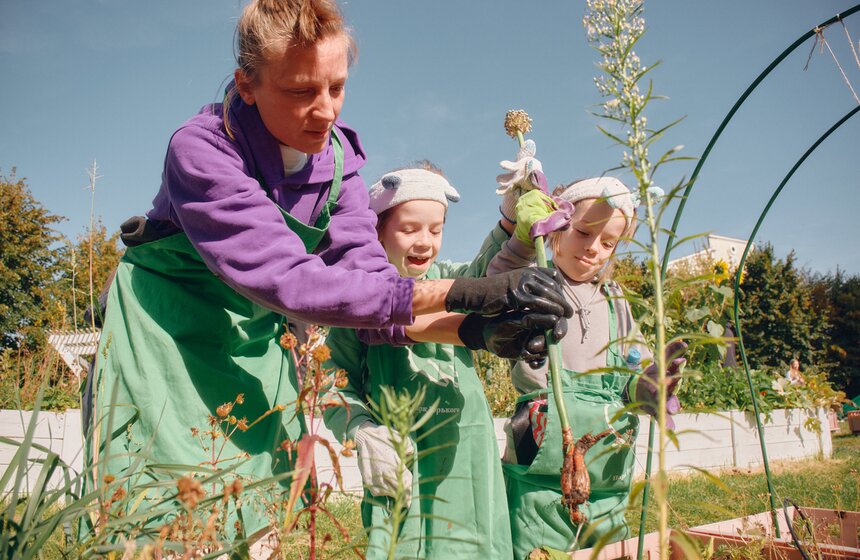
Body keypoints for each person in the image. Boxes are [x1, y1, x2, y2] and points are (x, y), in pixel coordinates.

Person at [82, 0, 571, 542]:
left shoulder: (339, 166)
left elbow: (374, 299)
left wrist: (475, 330)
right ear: (247, 84)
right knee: (163, 510)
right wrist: (467, 292)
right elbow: (293, 281)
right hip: (165, 334)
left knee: (254, 509)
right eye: (300, 91)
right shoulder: (202, 151)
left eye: (336, 88)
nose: (326, 110)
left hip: (251, 338)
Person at [324, 162, 523, 558]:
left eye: (436, 229)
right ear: (377, 230)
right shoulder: (358, 299)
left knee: (473, 542)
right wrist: (362, 430)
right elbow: (332, 381)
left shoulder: (449, 277)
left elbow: (487, 278)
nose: (425, 242)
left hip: (463, 445)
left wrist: (513, 221)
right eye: (409, 229)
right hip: (400, 452)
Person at [487, 177, 687, 557]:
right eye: (582, 232)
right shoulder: (534, 281)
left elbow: (634, 369)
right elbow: (493, 282)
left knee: (610, 546)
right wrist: (524, 234)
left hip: (608, 464)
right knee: (536, 541)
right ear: (558, 226)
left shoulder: (615, 300)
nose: (593, 248)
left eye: (608, 242)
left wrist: (647, 388)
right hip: (539, 462)